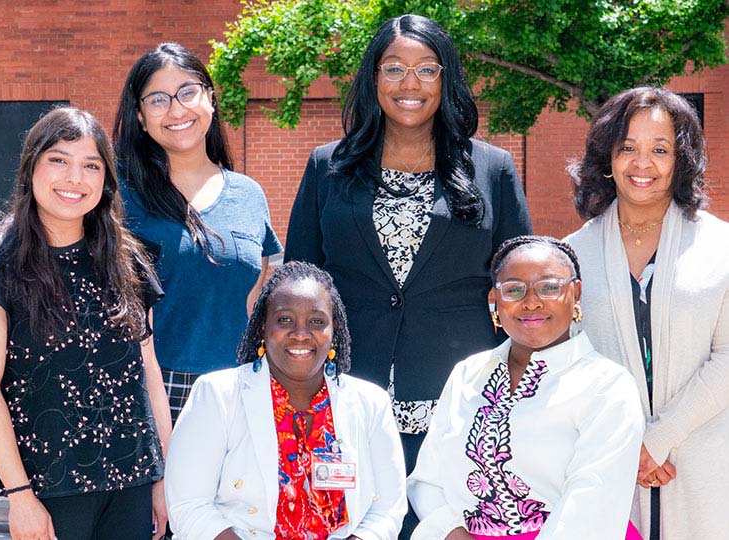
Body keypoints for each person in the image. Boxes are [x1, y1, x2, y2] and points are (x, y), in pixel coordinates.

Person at [284, 14, 532, 480]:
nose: (409, 82)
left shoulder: (492, 169)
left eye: (427, 68)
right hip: (347, 398)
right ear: (373, 78)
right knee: (351, 523)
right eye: (394, 68)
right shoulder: (327, 167)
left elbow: (519, 287)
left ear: (446, 78)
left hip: (462, 403)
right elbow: (298, 284)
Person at [0, 107, 171, 540]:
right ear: (31, 166)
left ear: (106, 181)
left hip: (132, 486)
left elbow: (148, 371)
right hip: (47, 491)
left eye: (91, 166)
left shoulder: (127, 260)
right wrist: (20, 496)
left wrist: (165, 476)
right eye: (59, 160)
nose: (75, 178)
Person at [566, 87, 729, 540]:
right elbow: (566, 366)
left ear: (683, 159)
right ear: (607, 156)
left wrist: (655, 441)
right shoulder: (570, 255)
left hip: (704, 460)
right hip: (607, 465)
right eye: (628, 148)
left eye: (660, 149)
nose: (643, 164)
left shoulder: (722, 248)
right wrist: (627, 450)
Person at [407, 235, 644, 540]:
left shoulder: (607, 385)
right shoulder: (467, 374)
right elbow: (427, 480)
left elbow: (593, 499)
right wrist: (453, 534)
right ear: (495, 300)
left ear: (576, 293)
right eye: (514, 289)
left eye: (549, 287)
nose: (531, 302)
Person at [164, 261, 406, 540]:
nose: (300, 333)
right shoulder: (217, 395)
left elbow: (388, 509)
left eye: (316, 321)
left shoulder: (370, 403)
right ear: (263, 327)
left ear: (334, 329)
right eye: (284, 320)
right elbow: (188, 505)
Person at [113, 42, 282, 426]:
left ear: (210, 98)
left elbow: (255, 296)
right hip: (151, 388)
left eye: (188, 92)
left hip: (239, 384)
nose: (176, 109)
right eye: (158, 99)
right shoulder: (119, 194)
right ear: (139, 116)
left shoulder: (247, 194)